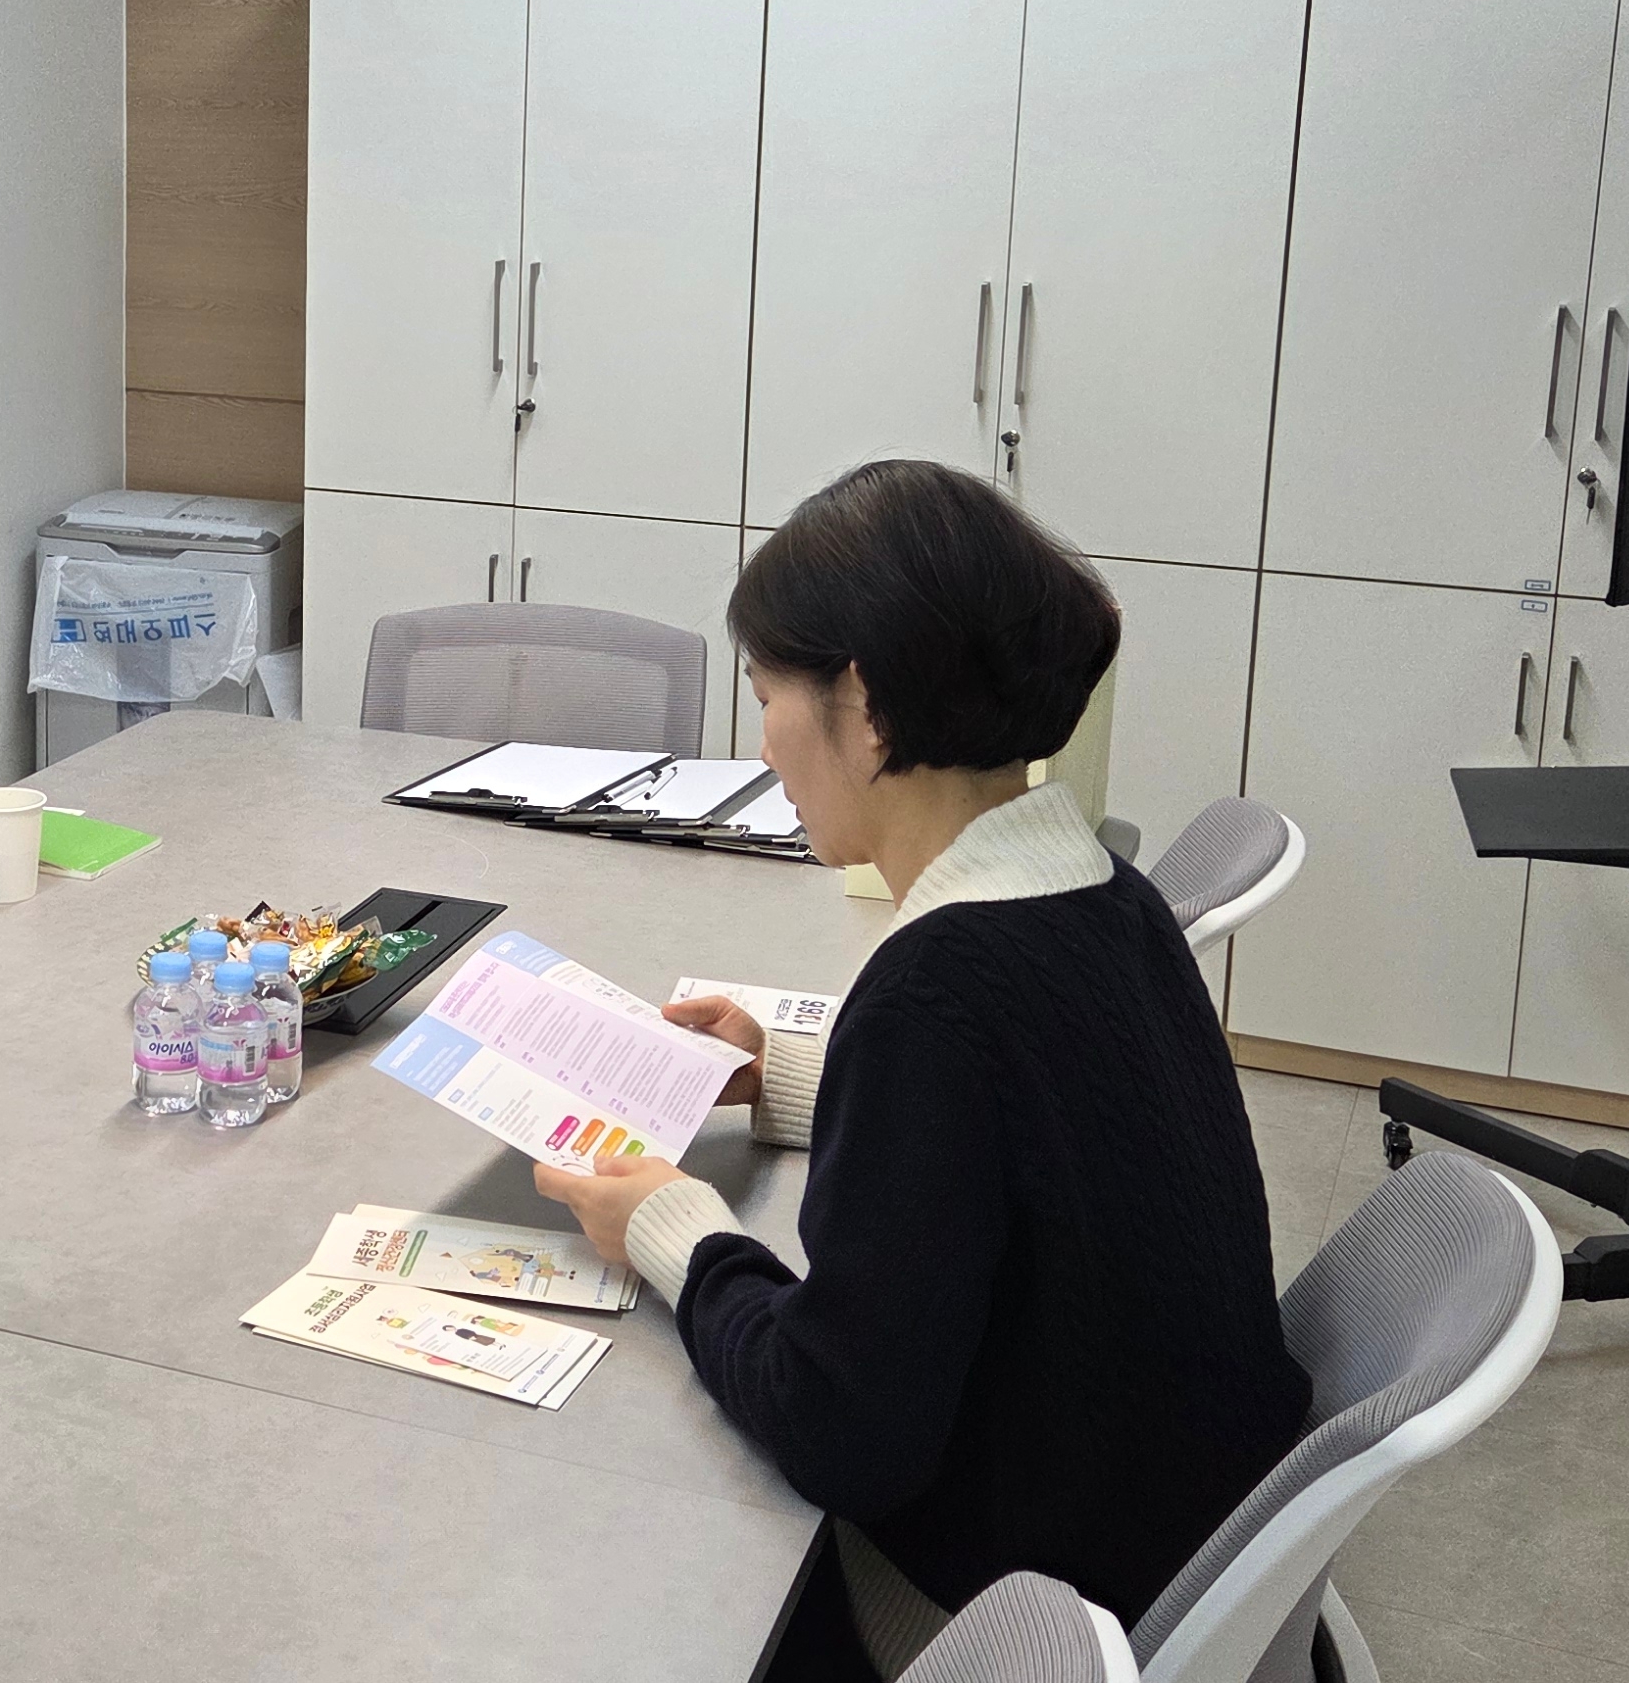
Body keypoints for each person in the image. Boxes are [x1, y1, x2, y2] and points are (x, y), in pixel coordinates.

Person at [531, 459, 1310, 1677]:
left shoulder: (929, 998)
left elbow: (840, 1431)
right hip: (1171, 1537)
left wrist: (668, 1227)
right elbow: (1031, 1122)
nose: (763, 743)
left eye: (767, 696)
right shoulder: (1109, 896)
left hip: (1011, 1618)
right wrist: (791, 1076)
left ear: (864, 705)